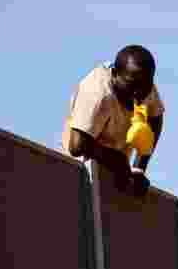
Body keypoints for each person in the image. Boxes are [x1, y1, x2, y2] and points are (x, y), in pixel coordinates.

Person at [62, 45, 165, 196]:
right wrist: (116, 159)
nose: (138, 94)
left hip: (117, 173)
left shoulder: (144, 86)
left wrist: (138, 169)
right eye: (132, 85)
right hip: (77, 172)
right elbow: (77, 145)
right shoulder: (98, 94)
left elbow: (156, 119)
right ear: (115, 74)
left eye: (145, 86)